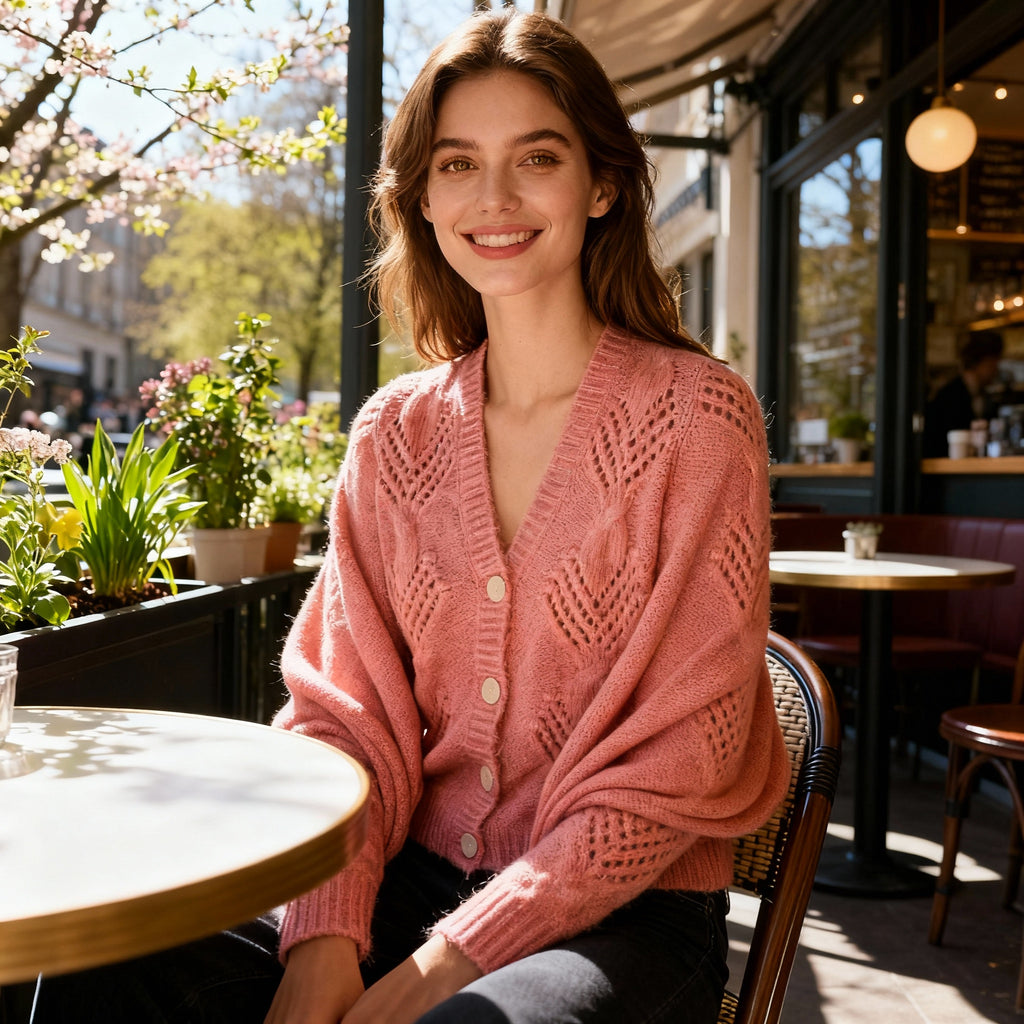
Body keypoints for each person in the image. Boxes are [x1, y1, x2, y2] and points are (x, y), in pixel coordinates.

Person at [25, 10, 788, 1024]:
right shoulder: (396, 436)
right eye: (457, 164)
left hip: (628, 914)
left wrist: (439, 969)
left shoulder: (698, 419)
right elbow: (347, 716)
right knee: (97, 948)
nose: (496, 198)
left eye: (538, 158)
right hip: (406, 876)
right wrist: (326, 936)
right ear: (423, 198)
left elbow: (677, 763)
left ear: (602, 184)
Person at [923, 331, 1005, 457]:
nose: (996, 370)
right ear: (982, 361)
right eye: (994, 363)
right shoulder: (948, 397)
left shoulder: (986, 397)